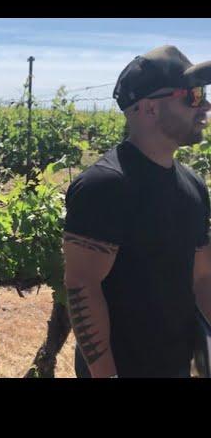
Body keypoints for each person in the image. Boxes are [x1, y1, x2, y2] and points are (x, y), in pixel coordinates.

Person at [63, 45, 211, 378]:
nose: (205, 106)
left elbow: (202, 276)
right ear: (148, 108)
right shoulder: (105, 186)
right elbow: (83, 286)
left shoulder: (194, 185)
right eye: (192, 96)